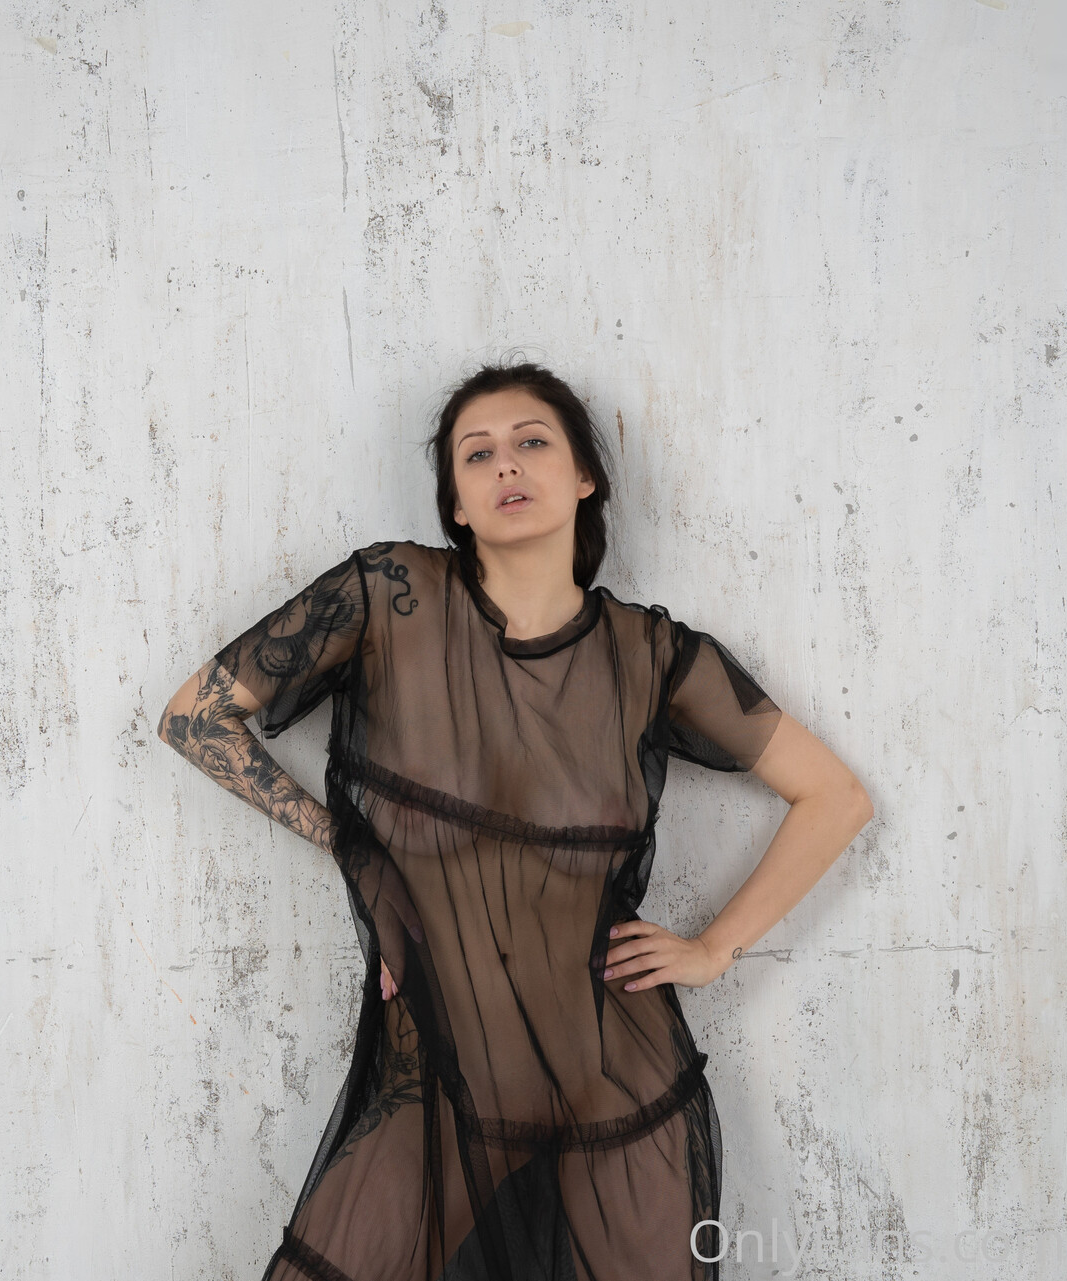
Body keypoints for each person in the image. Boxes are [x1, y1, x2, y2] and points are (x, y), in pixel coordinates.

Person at [156, 362, 873, 1281]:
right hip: (436, 1083)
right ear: (455, 504)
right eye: (477, 453)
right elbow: (194, 717)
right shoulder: (389, 597)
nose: (506, 464)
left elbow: (837, 797)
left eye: (532, 441)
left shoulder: (652, 656)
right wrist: (355, 848)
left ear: (585, 477)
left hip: (615, 1085)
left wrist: (712, 947)